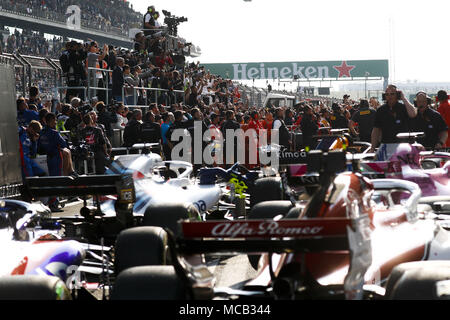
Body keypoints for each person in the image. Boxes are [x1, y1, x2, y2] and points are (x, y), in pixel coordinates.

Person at [370, 85, 417, 151]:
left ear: (397, 95)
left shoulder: (404, 108)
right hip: (386, 146)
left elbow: (413, 114)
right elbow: (376, 130)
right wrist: (372, 148)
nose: (389, 96)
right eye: (387, 94)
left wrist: (403, 98)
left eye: (392, 94)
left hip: (403, 146)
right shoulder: (381, 110)